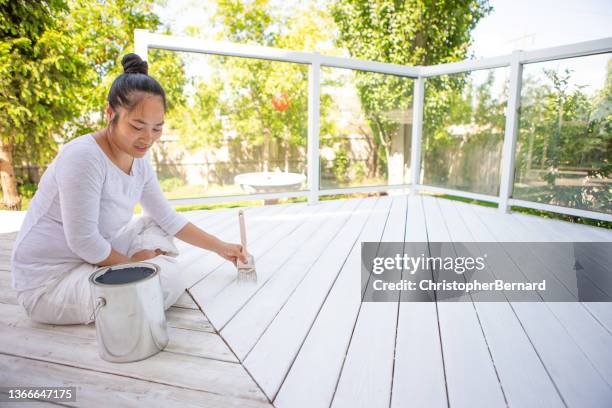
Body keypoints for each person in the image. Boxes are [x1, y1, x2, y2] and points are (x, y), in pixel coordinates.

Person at [10, 53, 247, 325]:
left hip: (92, 257)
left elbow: (167, 218)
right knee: (162, 281)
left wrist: (221, 247)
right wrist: (135, 265)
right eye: (137, 126)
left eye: (157, 128)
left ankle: (137, 270)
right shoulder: (83, 157)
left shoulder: (139, 161)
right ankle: (140, 270)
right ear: (110, 113)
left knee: (153, 225)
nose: (148, 138)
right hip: (51, 282)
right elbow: (83, 240)